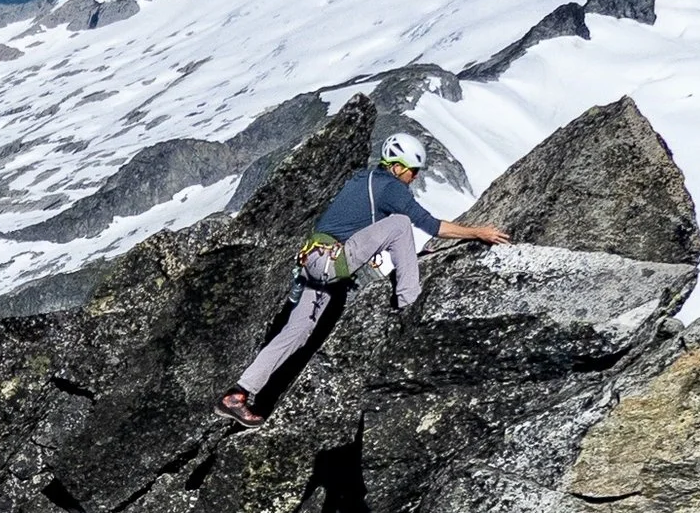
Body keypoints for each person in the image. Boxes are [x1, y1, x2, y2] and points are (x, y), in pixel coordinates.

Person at [217, 131, 509, 426]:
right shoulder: (390, 188)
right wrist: (477, 232)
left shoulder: (363, 180)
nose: (414, 178)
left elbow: (350, 225)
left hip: (313, 263)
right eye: (412, 171)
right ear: (397, 167)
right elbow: (430, 225)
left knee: (297, 332)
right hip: (330, 263)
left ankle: (237, 395)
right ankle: (412, 303)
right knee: (400, 223)